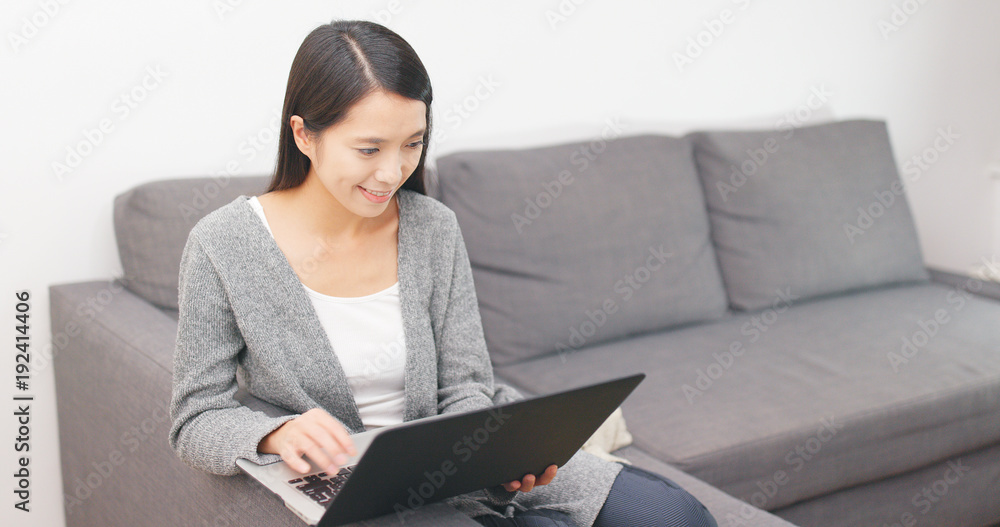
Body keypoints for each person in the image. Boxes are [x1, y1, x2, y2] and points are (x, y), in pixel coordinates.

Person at [167, 19, 717, 527]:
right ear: (304, 135)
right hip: (357, 493)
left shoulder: (433, 228)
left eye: (413, 143)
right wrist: (276, 433)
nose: (392, 172)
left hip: (461, 465)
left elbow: (467, 384)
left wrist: (494, 456)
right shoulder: (224, 245)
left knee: (676, 516)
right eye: (368, 148)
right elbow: (195, 418)